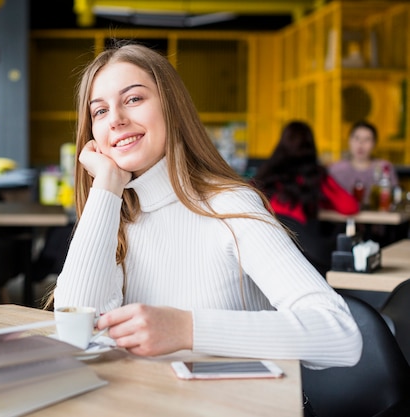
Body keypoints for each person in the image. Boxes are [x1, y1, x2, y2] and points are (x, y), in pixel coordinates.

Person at [48, 42, 362, 371]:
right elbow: (76, 333)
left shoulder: (229, 205)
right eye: (99, 111)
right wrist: (107, 187)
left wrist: (187, 329)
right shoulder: (113, 215)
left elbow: (340, 334)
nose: (115, 120)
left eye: (134, 99)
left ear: (172, 107)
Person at [252, 121, 360, 274]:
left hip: (263, 250)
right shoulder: (313, 175)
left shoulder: (266, 174)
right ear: (311, 146)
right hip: (302, 256)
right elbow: (350, 207)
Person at [328, 120, 399, 207]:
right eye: (356, 138)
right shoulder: (336, 169)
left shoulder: (384, 167)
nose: (361, 144)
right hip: (339, 218)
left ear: (374, 144)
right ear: (349, 141)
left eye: (367, 139)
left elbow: (395, 198)